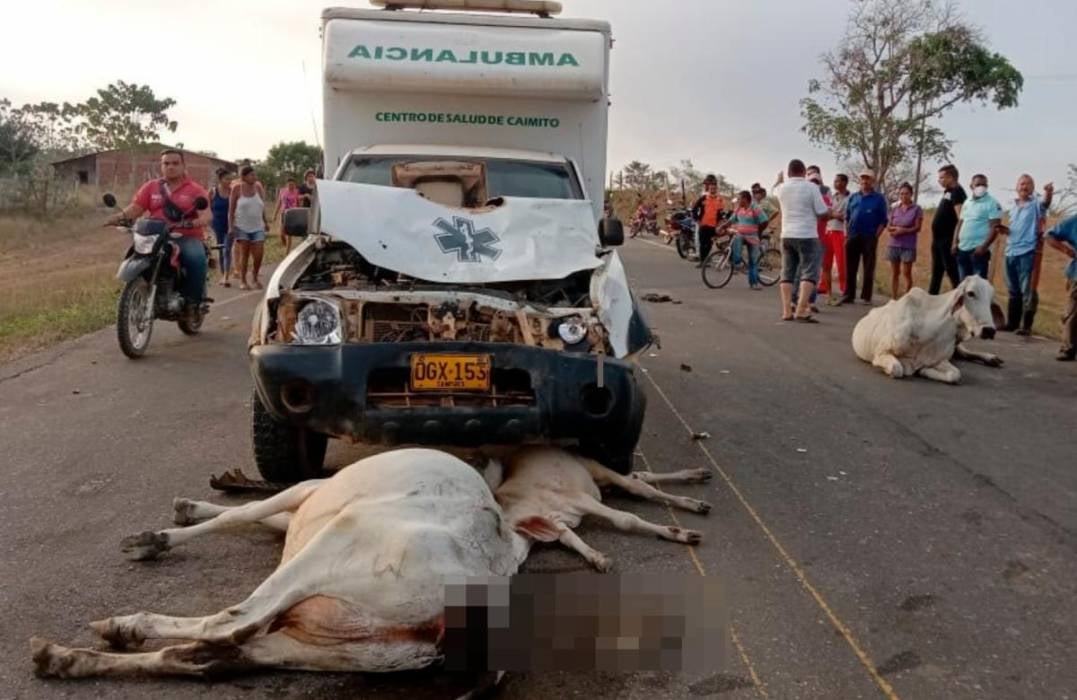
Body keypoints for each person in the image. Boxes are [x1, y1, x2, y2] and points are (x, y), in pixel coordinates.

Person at [104, 149, 211, 319]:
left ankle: (192, 302)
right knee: (135, 255)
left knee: (195, 258)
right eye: (166, 163)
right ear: (161, 166)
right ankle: (144, 290)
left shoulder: (195, 190)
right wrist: (118, 217)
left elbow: (206, 214)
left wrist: (195, 221)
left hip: (185, 236)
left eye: (175, 163)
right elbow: (136, 209)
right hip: (155, 236)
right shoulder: (151, 187)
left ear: (183, 166)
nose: (170, 167)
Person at [774, 159, 828, 322]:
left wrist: (779, 180)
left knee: (787, 272)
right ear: (804, 172)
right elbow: (822, 211)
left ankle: (786, 311)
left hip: (787, 235)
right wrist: (832, 213)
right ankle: (801, 309)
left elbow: (775, 188)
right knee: (809, 272)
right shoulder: (811, 188)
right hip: (807, 235)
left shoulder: (781, 189)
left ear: (789, 172)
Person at [1002, 175, 1054, 334]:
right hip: (1010, 250)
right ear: (1017, 187)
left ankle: (1026, 326)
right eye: (1022, 184)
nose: (1024, 187)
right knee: (1013, 289)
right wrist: (1004, 230)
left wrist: (1048, 192)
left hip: (1027, 251)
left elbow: (1046, 203)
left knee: (1028, 289)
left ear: (1032, 188)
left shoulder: (1036, 205)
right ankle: (1012, 323)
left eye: (1028, 184)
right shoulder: (1013, 206)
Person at [841, 170, 888, 305]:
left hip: (869, 236)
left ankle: (866, 296)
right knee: (850, 266)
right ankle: (849, 294)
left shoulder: (879, 198)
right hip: (853, 235)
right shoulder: (854, 197)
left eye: (867, 179)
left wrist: (875, 236)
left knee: (868, 267)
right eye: (862, 179)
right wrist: (847, 234)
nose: (865, 181)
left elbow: (883, 221)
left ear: (872, 181)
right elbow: (847, 217)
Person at [952, 173, 1002, 282]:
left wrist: (984, 247)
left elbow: (995, 227)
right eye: (978, 184)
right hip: (962, 249)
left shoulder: (992, 203)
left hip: (978, 251)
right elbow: (960, 223)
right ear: (971, 186)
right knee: (963, 285)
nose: (981, 187)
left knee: (977, 287)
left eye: (984, 185)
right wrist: (955, 243)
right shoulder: (967, 202)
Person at [229, 165, 272, 290]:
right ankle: (243, 280)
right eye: (251, 175)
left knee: (259, 253)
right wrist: (231, 227)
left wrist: (266, 222)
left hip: (258, 226)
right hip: (242, 227)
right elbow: (231, 211)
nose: (254, 177)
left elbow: (262, 206)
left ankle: (254, 275)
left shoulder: (258, 187)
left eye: (255, 174)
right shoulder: (237, 188)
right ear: (244, 176)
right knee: (245, 254)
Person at [929, 164, 966, 294]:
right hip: (937, 239)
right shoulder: (948, 192)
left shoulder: (957, 192)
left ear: (951, 177)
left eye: (942, 177)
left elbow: (961, 217)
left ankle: (960, 300)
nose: (940, 180)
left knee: (952, 272)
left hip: (947, 240)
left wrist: (955, 241)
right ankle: (931, 300)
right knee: (936, 272)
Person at [1046, 214, 1077, 361]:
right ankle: (1068, 348)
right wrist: (1067, 250)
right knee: (1073, 313)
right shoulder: (1074, 221)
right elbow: (1049, 235)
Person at [885, 182, 923, 300]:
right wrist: (892, 230)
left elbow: (918, 228)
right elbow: (889, 225)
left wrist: (903, 230)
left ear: (911, 194)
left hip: (908, 245)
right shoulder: (895, 209)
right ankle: (894, 297)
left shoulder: (917, 209)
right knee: (895, 273)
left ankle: (907, 298)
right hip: (894, 244)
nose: (903, 196)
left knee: (907, 273)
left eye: (906, 194)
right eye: (901, 194)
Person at [729, 190, 769, 289]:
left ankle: (754, 283)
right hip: (741, 234)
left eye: (739, 199)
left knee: (753, 261)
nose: (738, 201)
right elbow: (731, 220)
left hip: (753, 236)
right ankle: (737, 263)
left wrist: (759, 232)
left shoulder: (755, 208)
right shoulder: (738, 208)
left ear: (745, 199)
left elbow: (765, 221)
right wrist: (722, 226)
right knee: (737, 237)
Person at [820, 173, 849, 305]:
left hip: (840, 232)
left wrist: (837, 215)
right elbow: (828, 212)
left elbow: (847, 216)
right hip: (829, 230)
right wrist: (833, 214)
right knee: (826, 262)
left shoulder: (850, 198)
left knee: (841, 262)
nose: (835, 183)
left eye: (838, 181)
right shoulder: (832, 197)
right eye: (835, 181)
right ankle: (827, 290)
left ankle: (844, 290)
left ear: (844, 183)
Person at [691, 174, 727, 267]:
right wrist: (697, 220)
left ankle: (706, 260)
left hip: (714, 226)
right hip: (704, 225)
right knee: (703, 244)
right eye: (711, 188)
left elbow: (721, 213)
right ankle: (702, 262)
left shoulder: (719, 200)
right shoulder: (703, 198)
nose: (712, 190)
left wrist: (721, 222)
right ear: (709, 189)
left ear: (716, 189)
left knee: (709, 244)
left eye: (714, 188)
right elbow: (694, 209)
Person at [208, 168, 235, 287]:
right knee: (220, 250)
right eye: (227, 179)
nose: (229, 181)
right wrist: (208, 223)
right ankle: (223, 274)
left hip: (230, 225)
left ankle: (226, 277)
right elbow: (207, 208)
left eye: (230, 179)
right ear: (220, 179)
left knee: (227, 249)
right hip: (217, 225)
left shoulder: (233, 192)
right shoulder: (213, 192)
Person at [274, 176, 302, 254]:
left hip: (292, 214)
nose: (291, 186)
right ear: (287, 185)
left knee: (289, 234)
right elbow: (279, 203)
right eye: (290, 185)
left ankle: (287, 252)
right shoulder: (282, 191)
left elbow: (298, 203)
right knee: (282, 234)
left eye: (293, 185)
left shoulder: (297, 191)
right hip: (283, 213)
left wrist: (299, 212)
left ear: (295, 185)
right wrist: (275, 214)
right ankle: (285, 244)